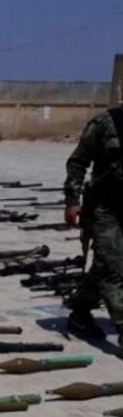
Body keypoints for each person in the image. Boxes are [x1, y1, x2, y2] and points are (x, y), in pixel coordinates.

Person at [62, 104, 123, 346]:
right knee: (113, 266)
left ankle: (79, 310)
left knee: (102, 266)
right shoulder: (106, 123)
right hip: (103, 207)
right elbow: (78, 162)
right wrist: (72, 201)